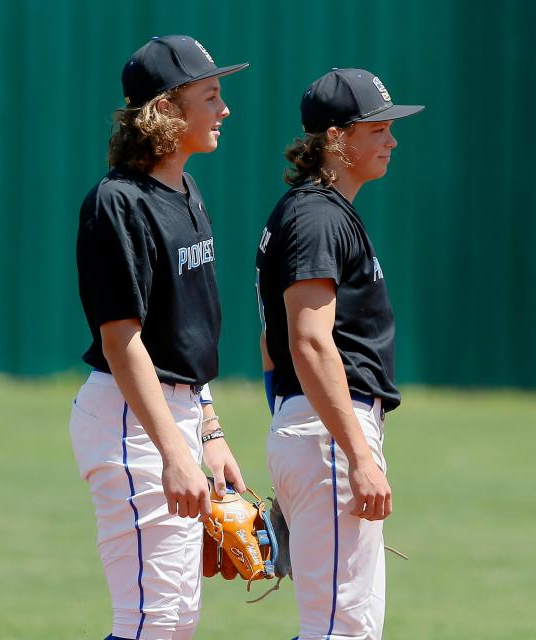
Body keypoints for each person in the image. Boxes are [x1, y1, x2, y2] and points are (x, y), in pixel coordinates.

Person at [70, 35, 249, 639]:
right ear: (166, 111)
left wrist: (210, 432)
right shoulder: (117, 203)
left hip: (173, 413)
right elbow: (123, 340)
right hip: (131, 420)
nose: (224, 109)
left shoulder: (186, 191)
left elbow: (184, 338)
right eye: (210, 96)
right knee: (149, 620)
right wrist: (174, 449)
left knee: (175, 620)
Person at [255, 68, 423, 640]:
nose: (391, 140)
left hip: (317, 428)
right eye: (378, 128)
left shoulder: (317, 211)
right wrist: (353, 453)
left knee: (349, 627)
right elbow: (307, 340)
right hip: (330, 433)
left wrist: (290, 426)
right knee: (339, 630)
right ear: (335, 138)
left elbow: (270, 345)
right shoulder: (319, 215)